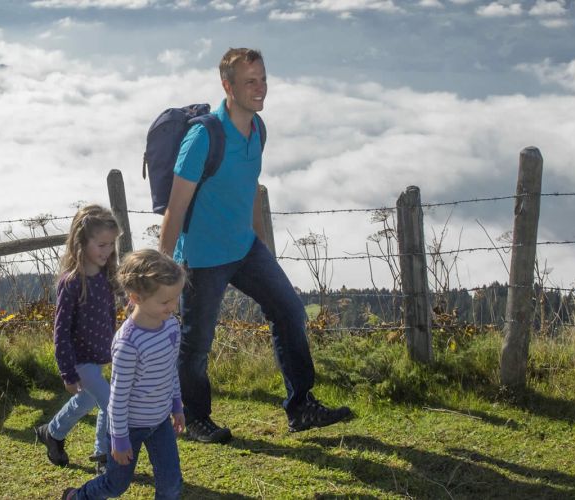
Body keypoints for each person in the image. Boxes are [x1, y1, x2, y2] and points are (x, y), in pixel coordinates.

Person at [158, 48, 352, 444]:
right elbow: (175, 211)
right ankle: (194, 418)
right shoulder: (203, 137)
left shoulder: (258, 129)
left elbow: (249, 191)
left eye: (263, 78)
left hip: (245, 248)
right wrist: (163, 273)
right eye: (250, 81)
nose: (260, 88)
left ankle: (301, 406)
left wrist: (261, 246)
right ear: (227, 86)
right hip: (202, 258)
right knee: (196, 343)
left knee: (289, 310)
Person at [63, 249, 186, 500]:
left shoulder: (171, 326)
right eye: (165, 302)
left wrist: (176, 405)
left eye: (176, 298)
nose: (173, 307)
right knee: (116, 485)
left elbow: (170, 369)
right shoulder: (128, 343)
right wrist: (119, 440)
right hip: (128, 427)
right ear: (136, 297)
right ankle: (76, 497)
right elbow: (117, 398)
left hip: (160, 421)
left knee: (172, 483)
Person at [34, 205, 122, 472]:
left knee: (86, 401)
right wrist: (67, 372)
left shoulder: (106, 277)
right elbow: (60, 330)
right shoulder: (71, 282)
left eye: (111, 245)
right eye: (101, 244)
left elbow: (110, 313)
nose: (107, 251)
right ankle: (103, 456)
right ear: (81, 242)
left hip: (96, 357)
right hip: (79, 360)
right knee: (109, 402)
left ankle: (53, 433)